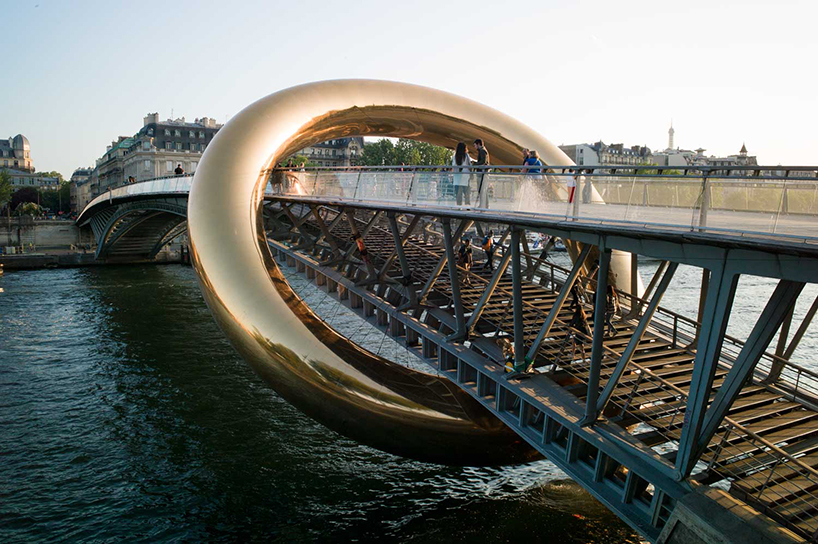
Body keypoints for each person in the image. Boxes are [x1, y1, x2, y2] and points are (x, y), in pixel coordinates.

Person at [473, 139, 490, 207]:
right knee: (483, 189)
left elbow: (483, 161)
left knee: (481, 189)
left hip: (482, 173)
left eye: (475, 145)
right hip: (483, 172)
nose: (474, 147)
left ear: (478, 144)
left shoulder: (482, 151)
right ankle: (485, 204)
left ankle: (482, 205)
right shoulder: (483, 150)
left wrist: (475, 164)